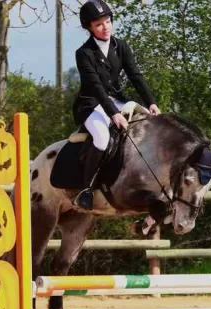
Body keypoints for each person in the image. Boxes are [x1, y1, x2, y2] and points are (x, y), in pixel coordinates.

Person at [72, 0, 161, 210]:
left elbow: (135, 76)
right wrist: (113, 114)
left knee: (145, 126)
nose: (105, 27)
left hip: (116, 100)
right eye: (99, 25)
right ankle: (86, 189)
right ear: (89, 28)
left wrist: (152, 102)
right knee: (102, 139)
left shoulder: (120, 46)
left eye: (108, 21)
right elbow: (95, 86)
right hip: (91, 104)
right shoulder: (84, 53)